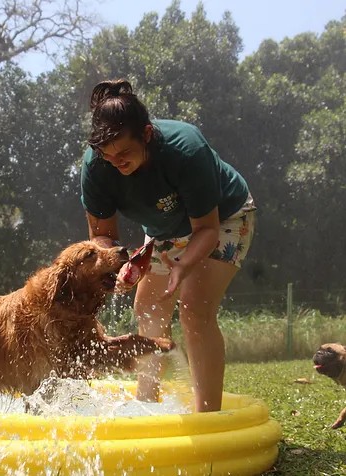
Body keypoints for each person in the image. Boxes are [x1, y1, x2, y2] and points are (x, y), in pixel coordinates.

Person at [80, 79, 256, 412]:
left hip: (226, 217)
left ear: (146, 134)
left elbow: (205, 228)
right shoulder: (96, 166)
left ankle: (208, 418)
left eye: (124, 153)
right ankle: (147, 407)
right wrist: (121, 263)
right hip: (165, 231)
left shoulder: (185, 149)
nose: (116, 162)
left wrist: (184, 265)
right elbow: (102, 235)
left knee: (194, 308)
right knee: (147, 307)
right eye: (107, 155)